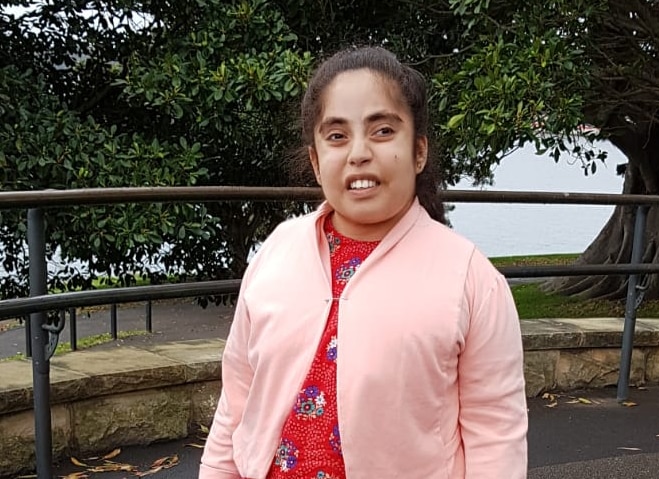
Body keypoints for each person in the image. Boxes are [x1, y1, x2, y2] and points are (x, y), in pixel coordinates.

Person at [199, 46, 528, 479]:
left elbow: (496, 435)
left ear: (419, 152)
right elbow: (238, 399)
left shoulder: (469, 278)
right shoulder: (278, 251)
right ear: (317, 162)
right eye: (337, 136)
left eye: (383, 130)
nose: (358, 153)